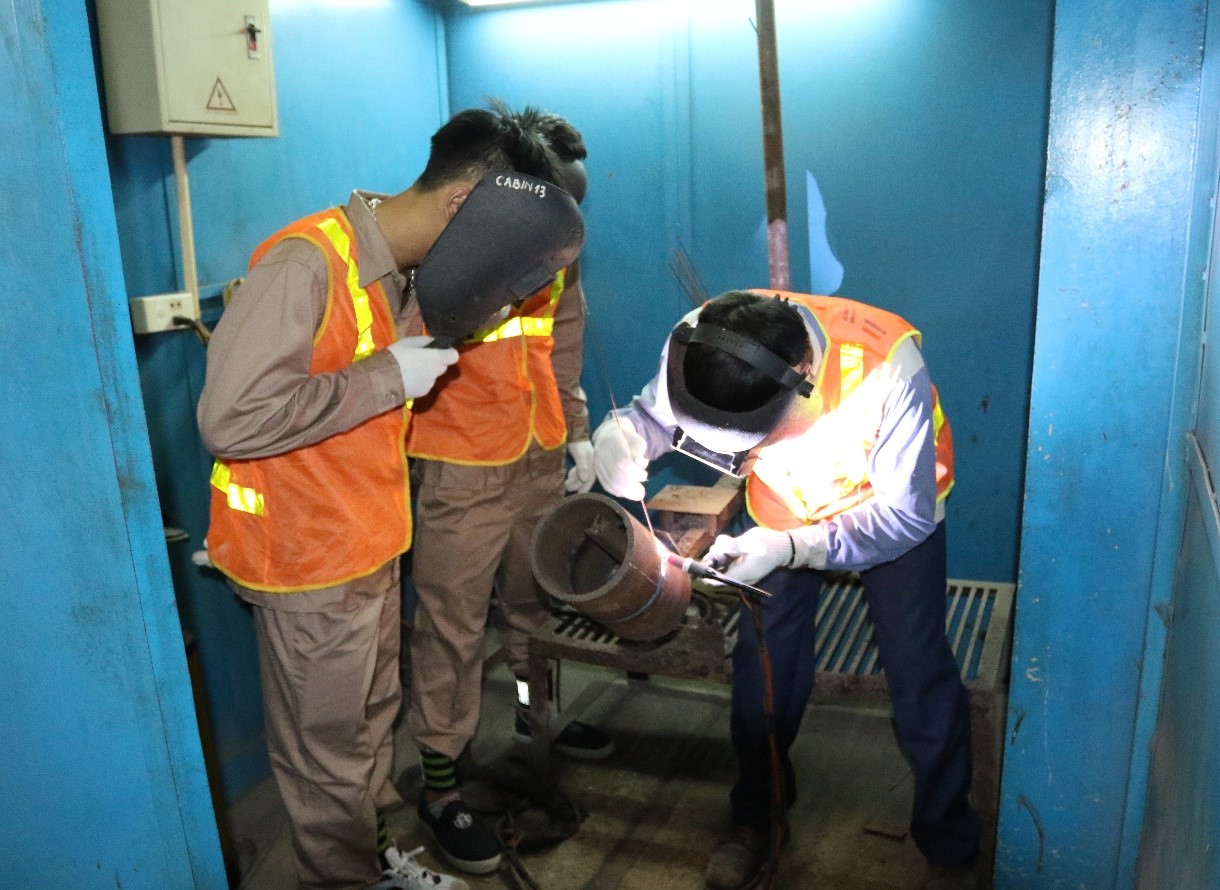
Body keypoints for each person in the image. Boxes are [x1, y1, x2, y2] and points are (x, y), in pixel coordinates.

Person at [197, 107, 565, 890]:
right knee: (326, 758)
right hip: (306, 559)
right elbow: (231, 418)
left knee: (366, 733)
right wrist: (387, 379)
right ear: (465, 204)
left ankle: (370, 859)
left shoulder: (393, 272)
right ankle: (343, 879)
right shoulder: (306, 263)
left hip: (366, 545)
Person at [590, 290, 981, 888]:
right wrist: (626, 433)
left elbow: (906, 519)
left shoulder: (885, 368)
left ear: (801, 378)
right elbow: (657, 414)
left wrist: (796, 548)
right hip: (781, 508)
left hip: (887, 515)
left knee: (918, 668)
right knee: (763, 664)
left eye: (747, 437)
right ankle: (758, 816)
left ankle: (949, 839)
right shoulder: (700, 339)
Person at [404, 104, 613, 878]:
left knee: (529, 610)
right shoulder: (441, 248)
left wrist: (578, 432)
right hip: (461, 463)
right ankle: (441, 784)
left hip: (537, 456)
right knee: (451, 629)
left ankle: (534, 726)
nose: (566, 225)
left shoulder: (559, 252)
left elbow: (564, 341)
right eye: (558, 204)